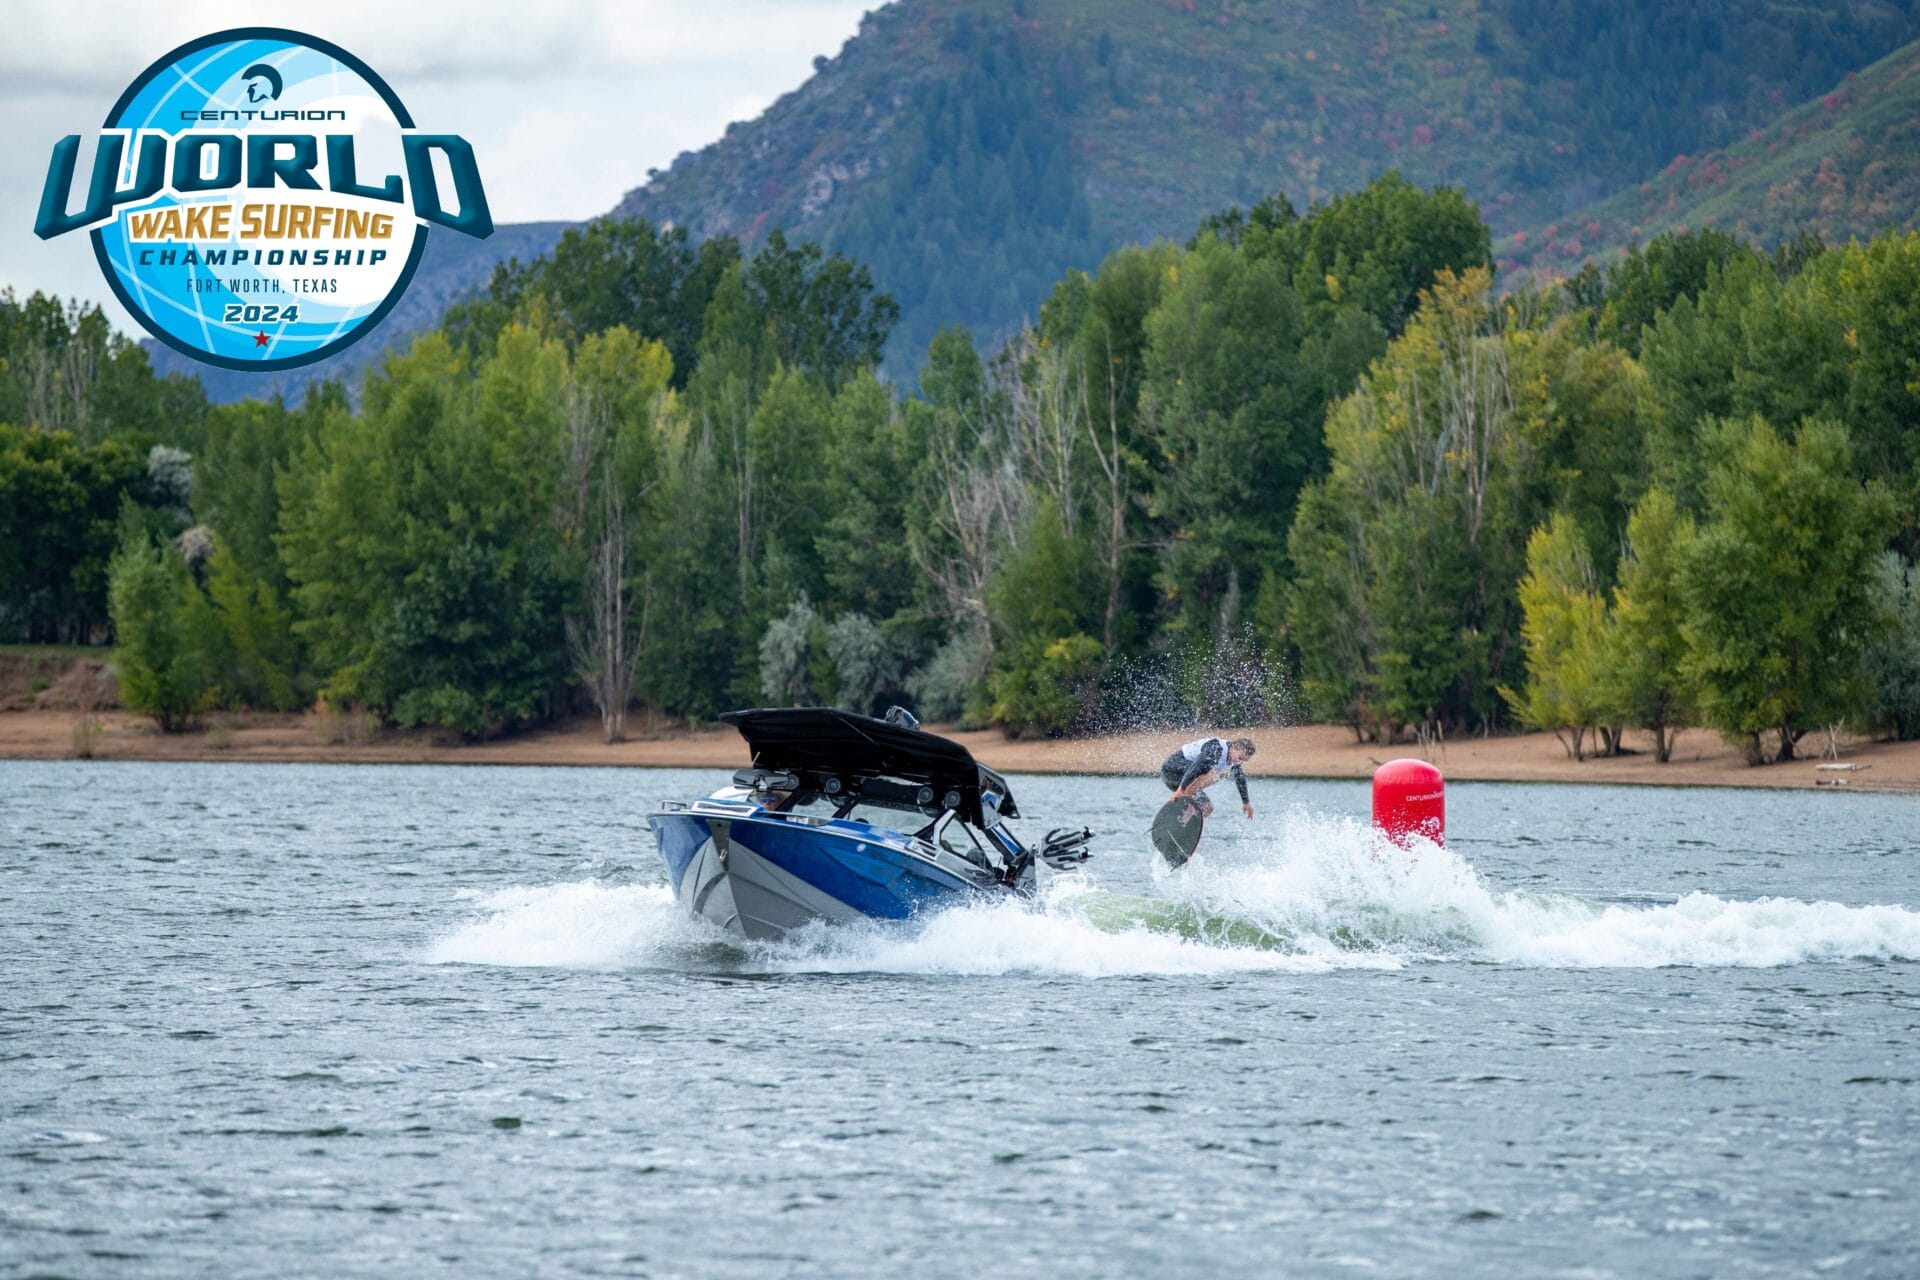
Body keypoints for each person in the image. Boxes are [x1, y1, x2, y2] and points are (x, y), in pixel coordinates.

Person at [1160, 736, 1256, 819]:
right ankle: (1182, 796)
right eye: (1239, 758)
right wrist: (1181, 789)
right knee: (1213, 775)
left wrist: (1246, 802)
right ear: (1234, 746)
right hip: (1172, 770)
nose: (1238, 762)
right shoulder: (1216, 748)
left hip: (1184, 780)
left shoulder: (1234, 760)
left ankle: (1181, 820)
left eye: (1242, 761)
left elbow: (1240, 777)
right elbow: (1196, 766)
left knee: (1207, 808)